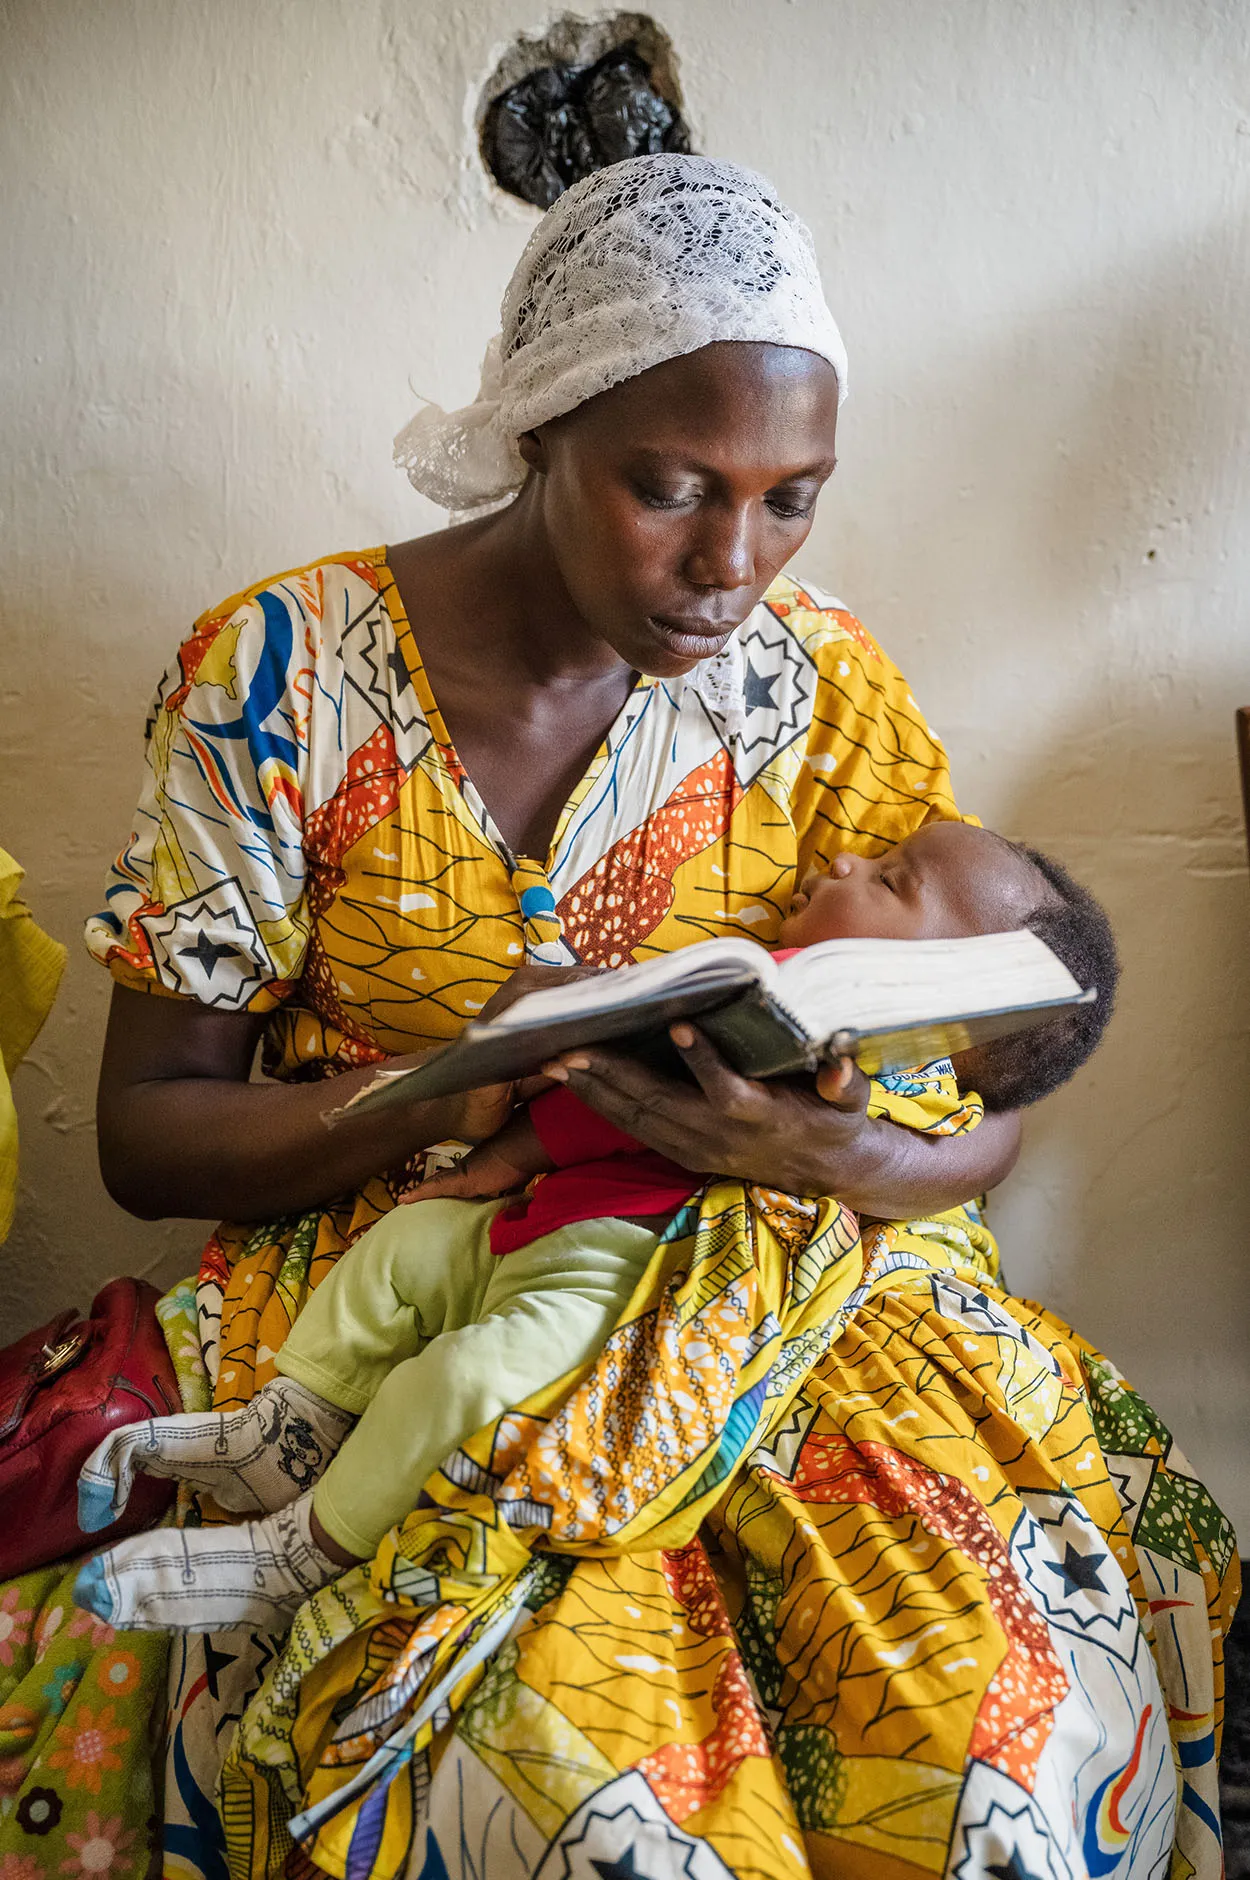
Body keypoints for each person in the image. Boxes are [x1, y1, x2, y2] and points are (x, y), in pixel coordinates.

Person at [0, 156, 1233, 1880]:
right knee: (570, 1776)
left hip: (789, 1271)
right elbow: (149, 1137)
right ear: (539, 430)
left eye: (793, 498)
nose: (733, 561)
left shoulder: (821, 686)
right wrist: (448, 1093)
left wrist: (821, 1146)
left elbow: (993, 1088)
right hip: (415, 1263)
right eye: (671, 485)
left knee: (977, 1706)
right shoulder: (278, 673)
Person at [72, 820, 1120, 1633]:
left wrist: (836, 1152)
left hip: (625, 1269)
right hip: (537, 1203)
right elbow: (593, 1101)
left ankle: (302, 1549)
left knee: (468, 1381)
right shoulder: (754, 987)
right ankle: (289, 1425)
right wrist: (489, 1148)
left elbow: (990, 1119)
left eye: (887, 877)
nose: (842, 853)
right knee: (397, 1253)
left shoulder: (896, 1067)